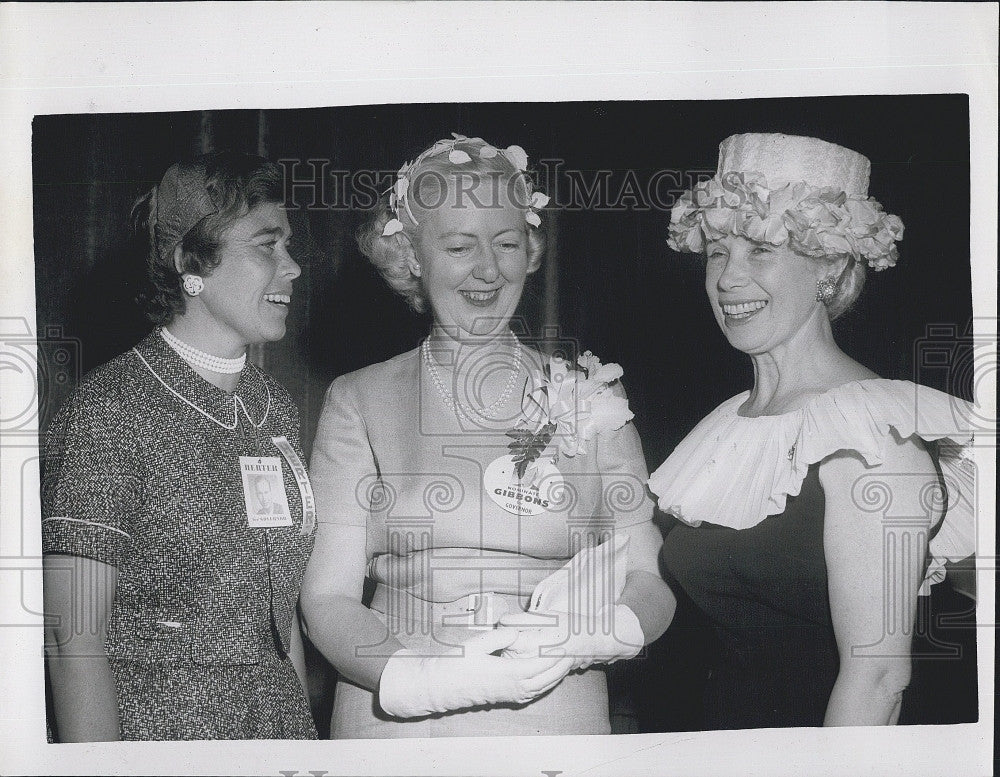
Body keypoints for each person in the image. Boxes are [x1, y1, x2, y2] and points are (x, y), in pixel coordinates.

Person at [301, 134, 676, 738]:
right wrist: (426, 680)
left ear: (528, 250)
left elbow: (650, 581)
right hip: (396, 713)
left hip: (552, 706)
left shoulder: (594, 395)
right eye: (458, 245)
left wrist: (589, 637)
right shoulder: (359, 399)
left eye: (506, 243)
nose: (488, 268)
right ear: (412, 257)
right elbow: (328, 600)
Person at [650, 133, 977, 729]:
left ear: (829, 267)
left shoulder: (876, 432)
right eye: (718, 252)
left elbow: (878, 679)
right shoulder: (726, 424)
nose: (729, 278)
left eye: (761, 251)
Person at [41, 152, 317, 741]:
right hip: (163, 737)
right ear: (190, 262)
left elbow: (279, 616)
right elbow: (73, 641)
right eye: (267, 244)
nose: (292, 267)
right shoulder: (111, 411)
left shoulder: (273, 409)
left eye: (288, 245)